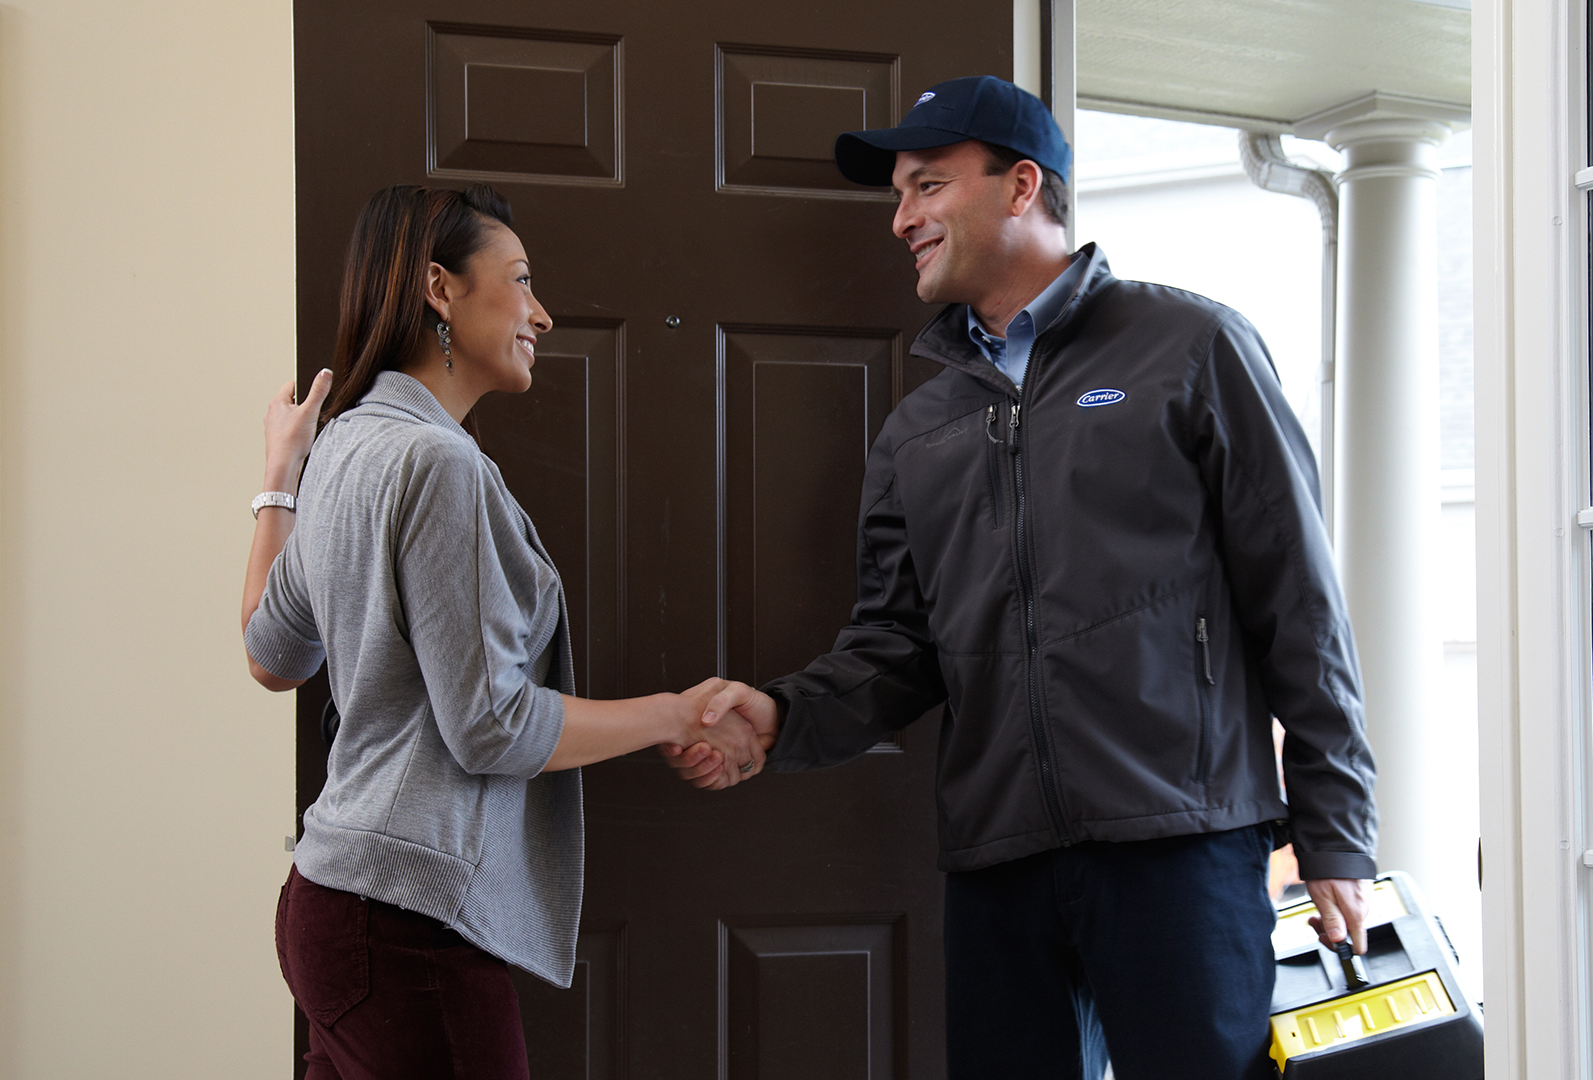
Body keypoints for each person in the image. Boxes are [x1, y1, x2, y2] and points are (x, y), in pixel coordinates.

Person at [666, 76, 1380, 1078]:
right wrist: (780, 719)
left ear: (1020, 186)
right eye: (899, 196)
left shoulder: (1191, 348)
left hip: (1179, 845)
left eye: (925, 186)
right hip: (1000, 863)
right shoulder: (921, 427)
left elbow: (1298, 599)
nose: (901, 218)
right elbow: (893, 648)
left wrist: (1337, 829)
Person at [242, 183, 766, 1080]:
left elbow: (268, 653)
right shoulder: (435, 463)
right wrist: (674, 715)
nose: (543, 313)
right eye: (520, 281)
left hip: (329, 905)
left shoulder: (347, 448)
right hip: (405, 927)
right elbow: (491, 726)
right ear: (439, 289)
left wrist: (280, 478)